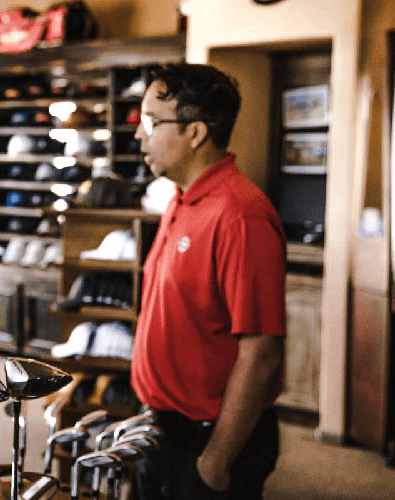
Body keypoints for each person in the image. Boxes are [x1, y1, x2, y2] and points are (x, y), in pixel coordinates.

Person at [130, 63, 286, 500]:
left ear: (196, 133)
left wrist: (215, 462)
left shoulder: (240, 214)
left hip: (207, 439)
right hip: (162, 425)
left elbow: (262, 352)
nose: (139, 134)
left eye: (151, 122)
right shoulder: (181, 198)